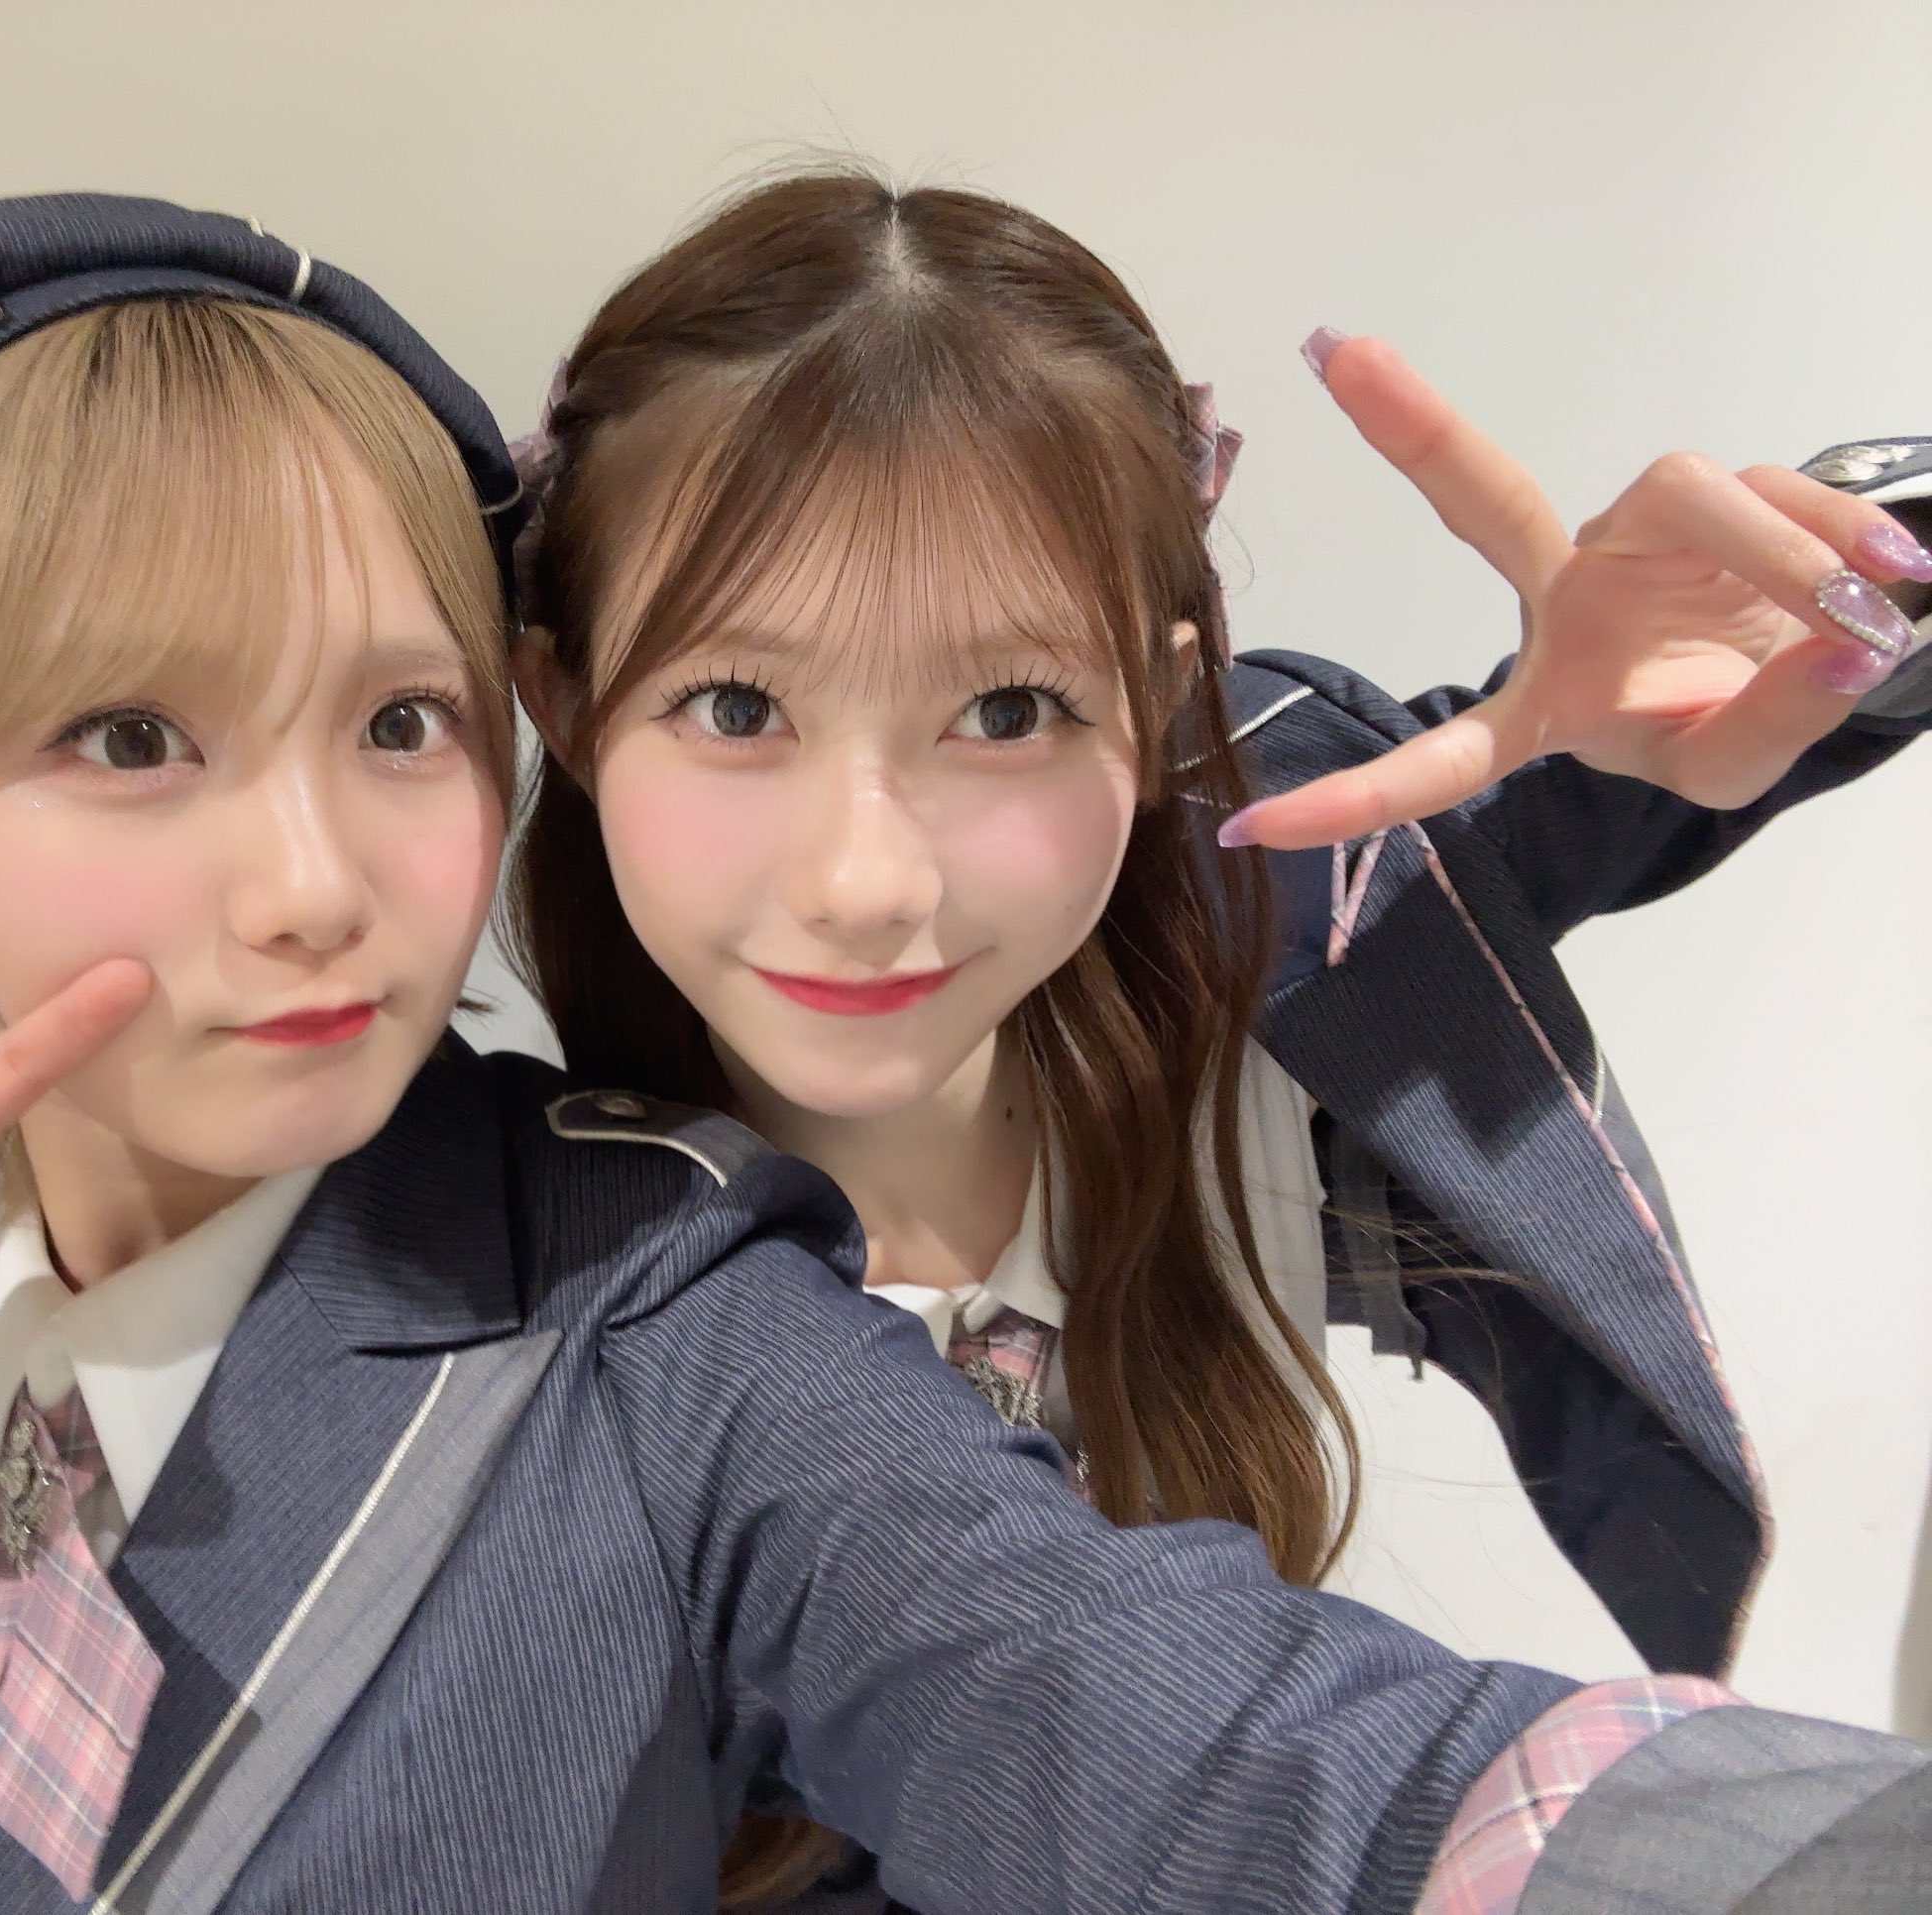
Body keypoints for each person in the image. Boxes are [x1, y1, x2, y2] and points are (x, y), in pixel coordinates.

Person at [499, 166, 1932, 1905]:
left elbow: (1626, 764)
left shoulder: (1250, 977)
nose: (867, 884)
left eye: (1008, 709)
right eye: (737, 706)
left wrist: (1856, 594)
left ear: (1167, 694)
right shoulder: (479, 1278)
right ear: (564, 702)